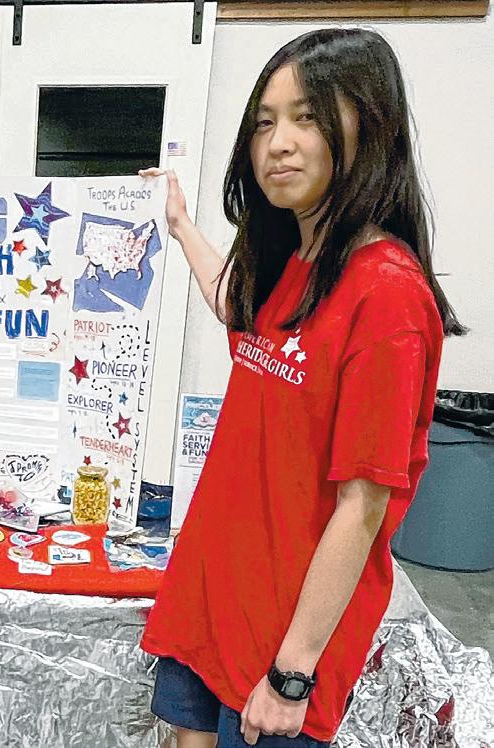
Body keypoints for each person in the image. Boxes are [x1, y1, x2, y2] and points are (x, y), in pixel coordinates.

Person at [138, 29, 464, 748]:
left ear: (369, 126)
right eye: (264, 122)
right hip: (216, 597)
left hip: (284, 641)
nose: (278, 143)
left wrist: (292, 674)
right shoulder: (297, 260)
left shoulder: (386, 295)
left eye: (307, 117)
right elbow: (238, 309)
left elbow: (363, 504)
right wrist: (182, 226)